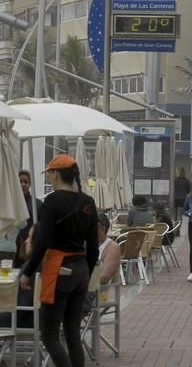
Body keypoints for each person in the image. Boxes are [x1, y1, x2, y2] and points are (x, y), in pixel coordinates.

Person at [20, 154, 99, 367]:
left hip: (58, 271)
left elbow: (43, 242)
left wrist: (27, 272)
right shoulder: (88, 202)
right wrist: (87, 274)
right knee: (73, 333)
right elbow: (93, 247)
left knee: (50, 335)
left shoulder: (52, 201)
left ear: (55, 174)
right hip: (81, 269)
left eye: (50, 174)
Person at [16, 170, 44, 267]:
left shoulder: (37, 204)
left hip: (29, 247)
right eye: (20, 181)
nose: (23, 184)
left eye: (26, 182)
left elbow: (42, 227)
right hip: (11, 248)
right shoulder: (10, 204)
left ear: (30, 184)